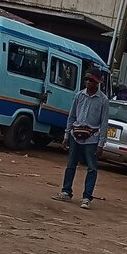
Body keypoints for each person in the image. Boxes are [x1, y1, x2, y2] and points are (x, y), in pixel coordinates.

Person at [53, 71, 109, 209]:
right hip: (75, 135)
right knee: (71, 165)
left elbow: (104, 123)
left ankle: (86, 197)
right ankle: (66, 191)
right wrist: (66, 135)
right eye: (86, 80)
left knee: (92, 168)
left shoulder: (103, 100)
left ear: (97, 83)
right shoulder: (79, 95)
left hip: (92, 138)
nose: (88, 82)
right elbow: (71, 117)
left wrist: (101, 144)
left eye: (91, 80)